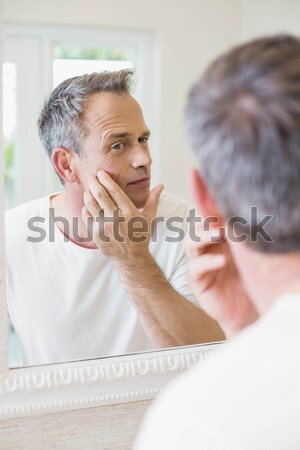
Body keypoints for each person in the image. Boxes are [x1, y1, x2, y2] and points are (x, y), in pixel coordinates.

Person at [135, 34, 300, 450]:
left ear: (205, 198)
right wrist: (247, 331)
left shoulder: (198, 422)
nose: (141, 160)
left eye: (143, 140)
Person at [5, 69, 223, 366]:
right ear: (66, 165)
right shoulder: (11, 236)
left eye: (142, 139)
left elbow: (208, 359)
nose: (144, 159)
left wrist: (132, 258)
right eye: (118, 145)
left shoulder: (187, 223)